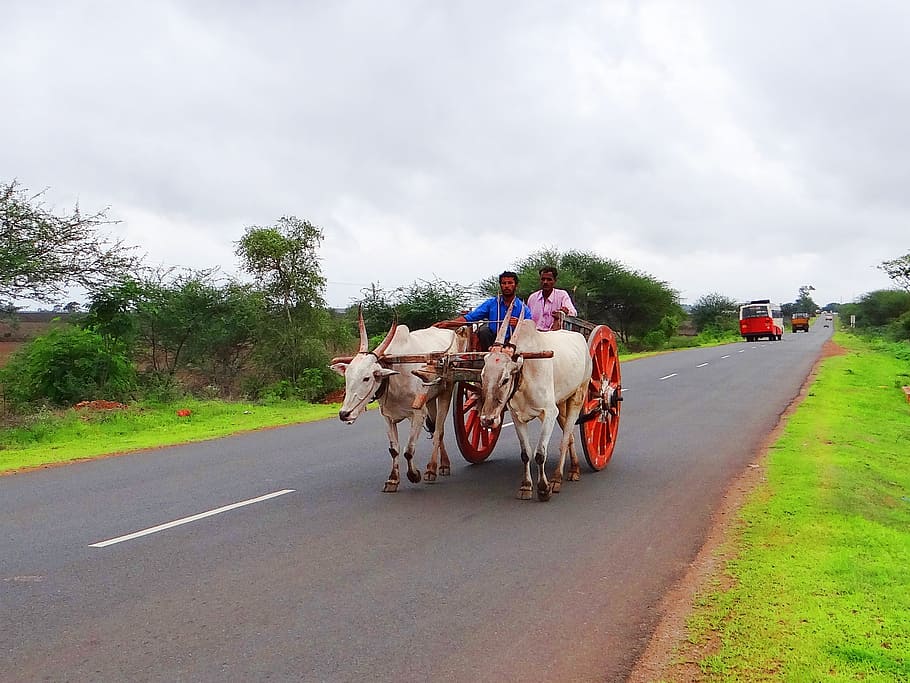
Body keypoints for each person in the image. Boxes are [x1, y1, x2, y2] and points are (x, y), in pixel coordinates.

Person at [436, 271, 533, 351]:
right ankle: (490, 353)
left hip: (513, 342)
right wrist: (447, 324)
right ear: (500, 285)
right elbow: (470, 317)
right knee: (483, 331)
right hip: (493, 341)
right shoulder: (491, 303)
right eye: (504, 283)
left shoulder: (523, 308)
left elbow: (530, 328)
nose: (507, 286)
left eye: (510, 283)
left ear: (516, 286)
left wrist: (520, 324)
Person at [527, 266, 577, 331]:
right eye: (543, 279)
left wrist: (566, 311)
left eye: (549, 279)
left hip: (554, 336)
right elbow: (527, 318)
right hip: (535, 335)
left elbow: (573, 313)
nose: (545, 282)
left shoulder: (562, 295)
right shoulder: (532, 298)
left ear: (554, 281)